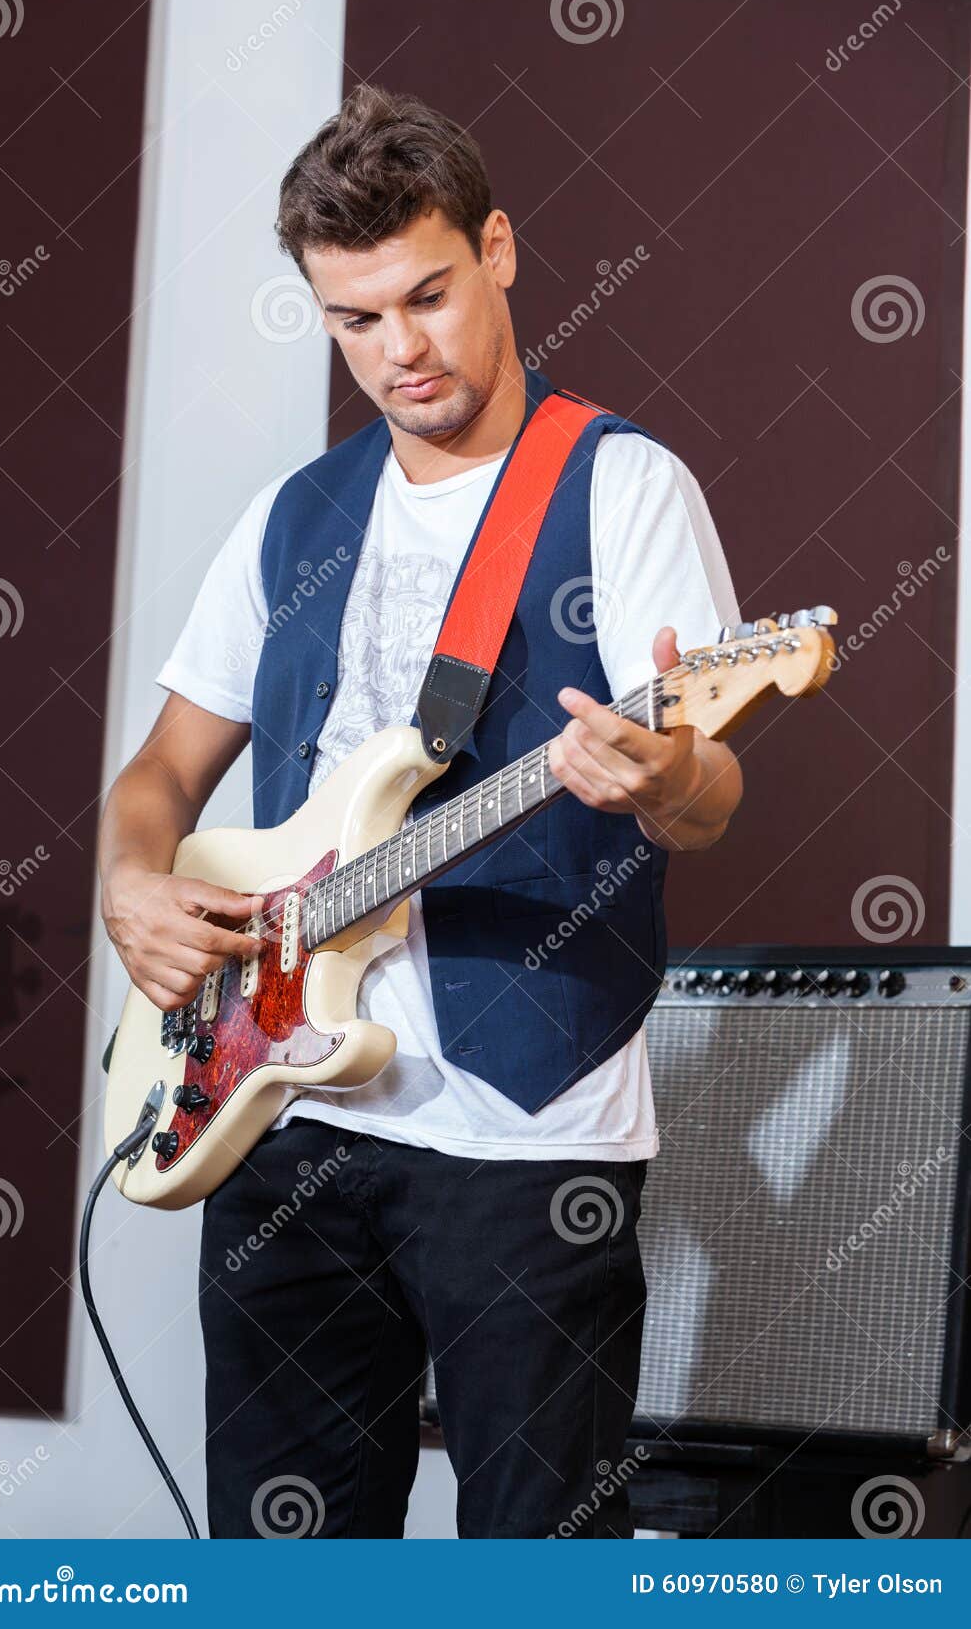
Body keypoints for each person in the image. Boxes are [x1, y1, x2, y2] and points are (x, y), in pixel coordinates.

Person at [97, 82, 743, 1539]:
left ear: (499, 249)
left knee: (532, 1564)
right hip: (282, 1116)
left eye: (428, 297)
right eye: (355, 320)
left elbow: (710, 794)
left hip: (529, 1138)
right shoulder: (294, 517)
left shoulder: (618, 488)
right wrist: (129, 884)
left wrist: (668, 775)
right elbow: (157, 780)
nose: (401, 350)